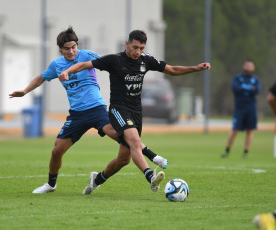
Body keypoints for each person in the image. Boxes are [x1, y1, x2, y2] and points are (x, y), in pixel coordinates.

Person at [9, 27, 167, 194]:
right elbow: (41, 77)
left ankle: (152, 157)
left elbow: (112, 62)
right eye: (67, 48)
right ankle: (51, 184)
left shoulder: (87, 55)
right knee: (57, 150)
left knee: (120, 135)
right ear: (61, 50)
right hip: (76, 114)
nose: (71, 51)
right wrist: (25, 91)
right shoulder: (56, 65)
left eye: (74, 47)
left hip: (97, 109)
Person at [59, 30, 211, 194]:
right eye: (135, 47)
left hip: (136, 112)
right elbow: (84, 65)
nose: (138, 51)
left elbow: (172, 69)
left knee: (123, 159)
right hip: (119, 109)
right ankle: (150, 176)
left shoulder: (146, 60)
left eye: (141, 48)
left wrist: (195, 68)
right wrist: (67, 71)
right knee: (134, 139)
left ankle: (96, 180)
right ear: (127, 44)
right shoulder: (114, 60)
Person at [221, 60, 261, 158]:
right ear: (243, 66)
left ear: (253, 67)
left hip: (251, 107)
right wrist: (249, 88)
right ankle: (227, 150)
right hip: (239, 108)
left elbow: (257, 90)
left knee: (250, 130)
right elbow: (235, 89)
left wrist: (243, 87)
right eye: (246, 65)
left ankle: (246, 152)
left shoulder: (256, 79)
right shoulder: (237, 78)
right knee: (235, 130)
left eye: (250, 65)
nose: (248, 67)